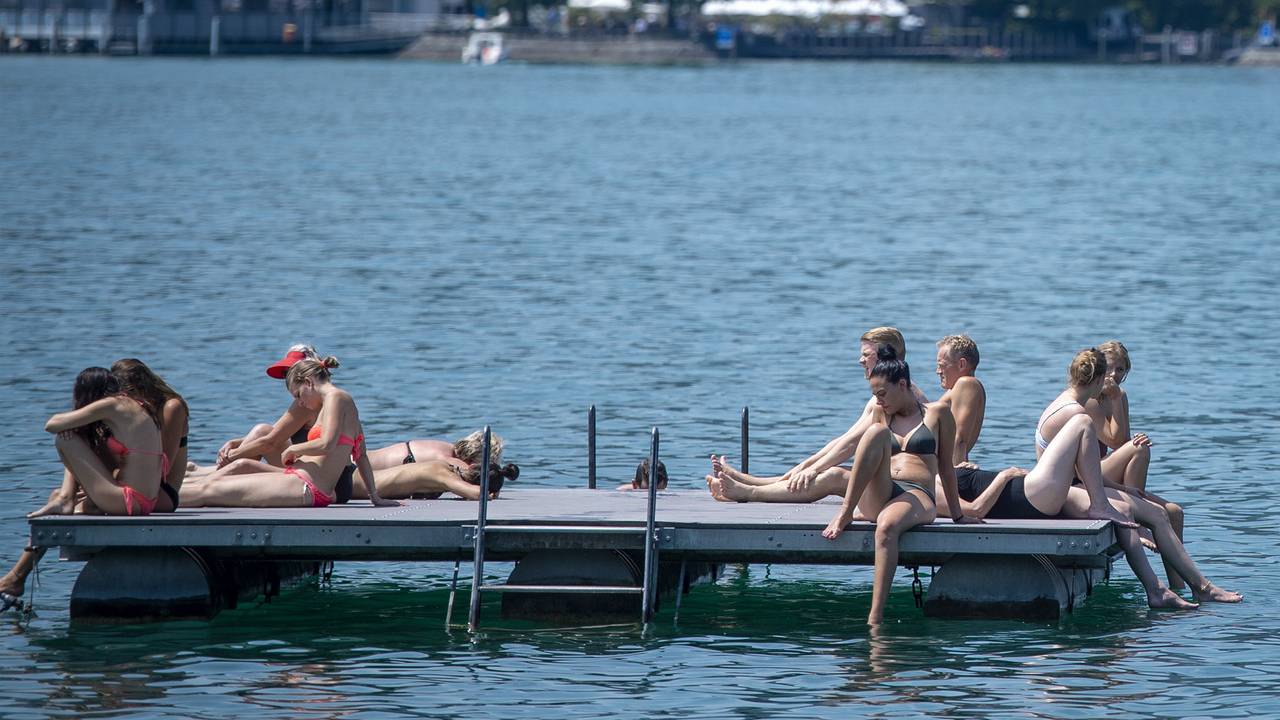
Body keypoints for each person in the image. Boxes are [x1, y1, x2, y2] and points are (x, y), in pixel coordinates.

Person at [707, 346, 980, 625]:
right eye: (875, 394)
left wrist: (958, 515)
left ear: (902, 385)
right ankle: (841, 509)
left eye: (882, 394)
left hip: (916, 494)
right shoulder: (881, 414)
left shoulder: (936, 414)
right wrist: (813, 467)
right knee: (865, 442)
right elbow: (854, 448)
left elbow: (946, 467)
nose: (879, 400)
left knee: (886, 528)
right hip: (882, 489)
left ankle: (875, 617)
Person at [1032, 347, 1238, 605]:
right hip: (1061, 491)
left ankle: (1201, 587)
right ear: (1096, 380)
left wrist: (1125, 489)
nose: (1111, 381)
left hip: (1074, 483)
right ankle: (1158, 591)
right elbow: (1082, 473)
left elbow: (1088, 470)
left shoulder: (1074, 404)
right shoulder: (1075, 414)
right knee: (1127, 513)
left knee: (1160, 513)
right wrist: (1118, 495)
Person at [1, 368, 169, 612]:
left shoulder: (111, 405)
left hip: (127, 500)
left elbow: (52, 425)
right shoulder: (133, 406)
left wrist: (80, 417)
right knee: (57, 494)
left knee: (66, 437)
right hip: (140, 500)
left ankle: (64, 501)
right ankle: (16, 577)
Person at [711, 326, 926, 488]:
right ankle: (760, 482)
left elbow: (849, 446)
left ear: (887, 356)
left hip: (906, 484)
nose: (860, 361)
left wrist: (812, 470)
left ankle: (748, 490)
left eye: (866, 355)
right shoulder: (881, 397)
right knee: (819, 471)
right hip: (887, 477)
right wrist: (801, 468)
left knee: (828, 476)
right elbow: (842, 440)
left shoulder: (901, 394)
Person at [180, 357, 397, 508]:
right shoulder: (342, 404)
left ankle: (160, 497)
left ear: (308, 383)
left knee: (210, 492)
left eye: (297, 394)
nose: (299, 402)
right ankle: (173, 486)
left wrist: (294, 448)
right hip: (297, 477)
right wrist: (374, 496)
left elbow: (327, 443)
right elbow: (361, 455)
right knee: (240, 466)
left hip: (307, 487)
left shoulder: (336, 398)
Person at [111, 359, 188, 512]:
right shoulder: (132, 411)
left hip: (161, 491)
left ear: (140, 387)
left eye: (125, 395)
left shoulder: (171, 408)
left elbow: (162, 470)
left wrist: (112, 480)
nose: (123, 401)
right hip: (130, 482)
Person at [934, 334, 985, 466]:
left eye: (941, 365)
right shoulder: (954, 391)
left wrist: (955, 476)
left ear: (962, 364)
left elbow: (958, 438)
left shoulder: (966, 383)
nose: (938, 371)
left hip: (947, 472)